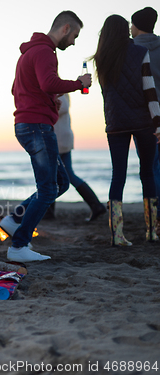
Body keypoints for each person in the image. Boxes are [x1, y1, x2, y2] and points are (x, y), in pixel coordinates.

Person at [0, 11, 92, 262]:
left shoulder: (32, 52)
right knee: (48, 189)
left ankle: (14, 218)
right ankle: (18, 246)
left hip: (30, 125)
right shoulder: (43, 52)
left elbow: (18, 88)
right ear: (65, 28)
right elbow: (49, 82)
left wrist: (50, 101)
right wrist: (79, 82)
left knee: (60, 183)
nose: (73, 41)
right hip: (36, 126)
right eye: (74, 35)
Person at [92, 15, 160, 245]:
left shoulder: (101, 58)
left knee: (117, 175)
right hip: (143, 122)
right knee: (147, 172)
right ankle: (151, 231)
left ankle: (117, 235)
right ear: (125, 31)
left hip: (115, 124)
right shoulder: (140, 53)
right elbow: (149, 90)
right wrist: (158, 123)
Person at [47, 93, 106, 221]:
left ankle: (96, 205)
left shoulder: (57, 91)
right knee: (57, 174)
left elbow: (63, 108)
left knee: (59, 174)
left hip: (59, 139)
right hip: (62, 138)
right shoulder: (57, 90)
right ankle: (95, 205)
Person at [131, 7, 160, 234]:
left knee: (149, 169)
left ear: (137, 26)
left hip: (145, 117)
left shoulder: (133, 50)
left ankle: (154, 221)